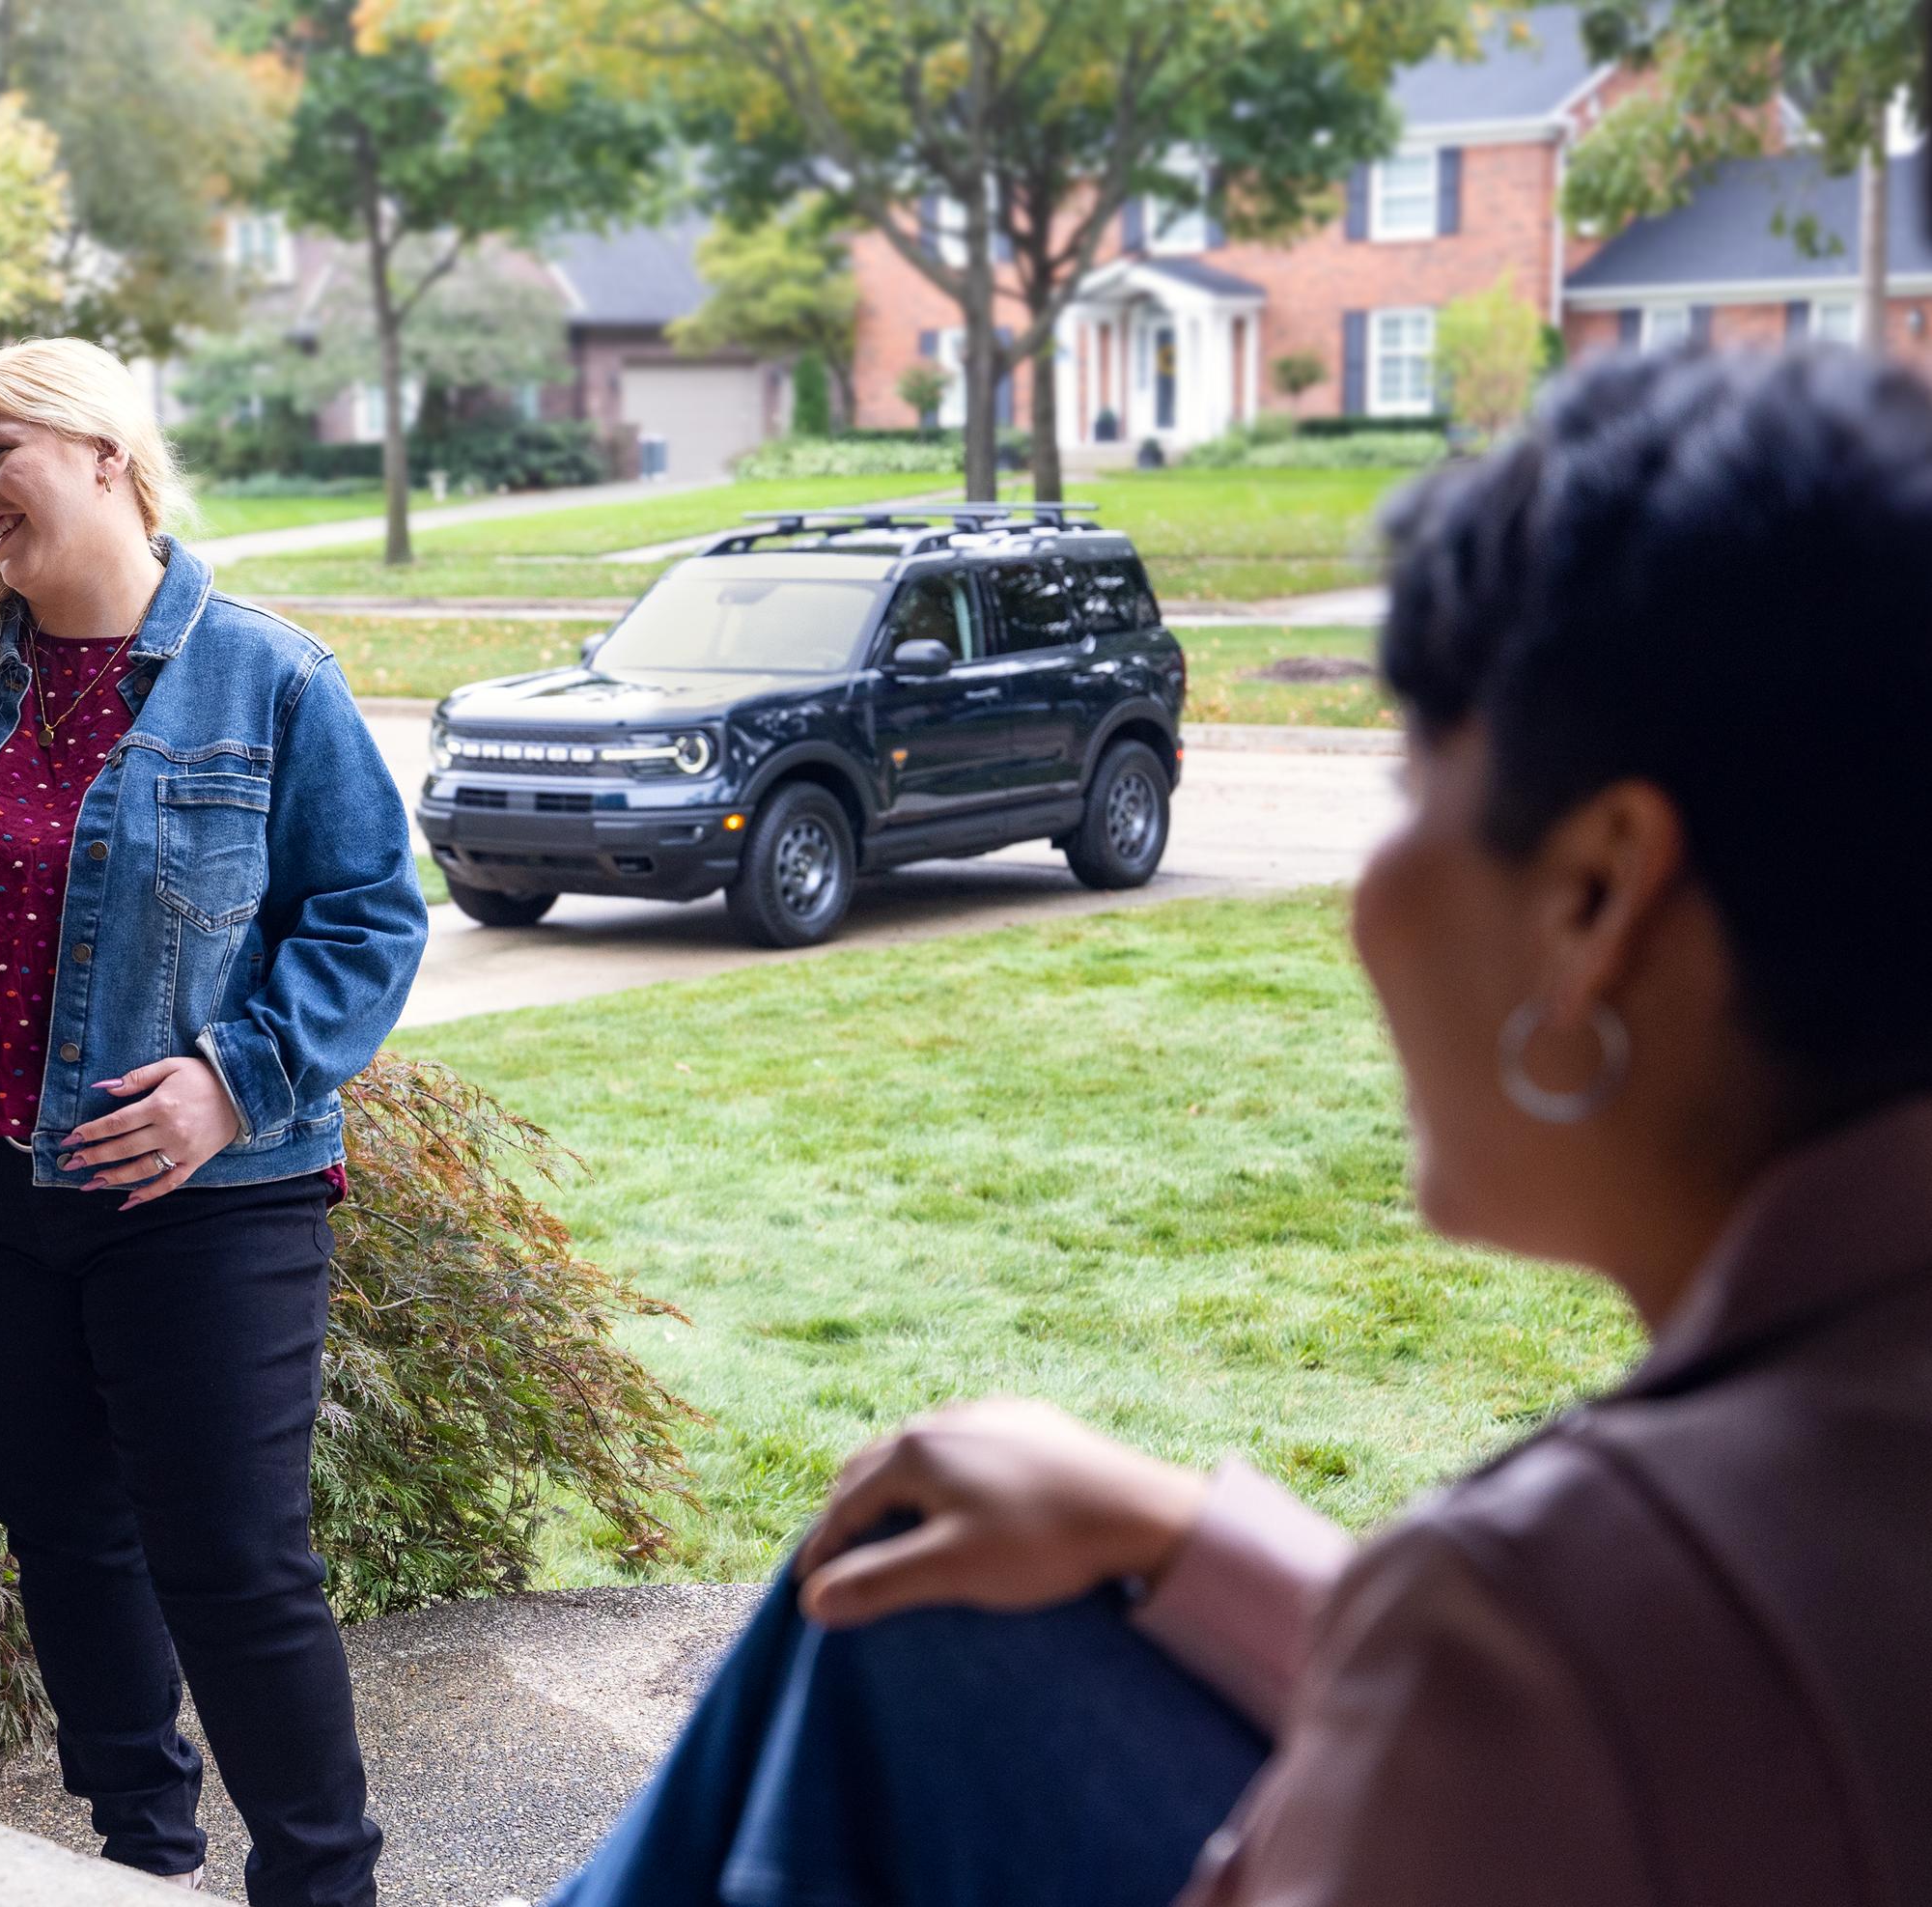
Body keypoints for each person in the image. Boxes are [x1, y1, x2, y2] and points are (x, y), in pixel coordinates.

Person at [547, 346, 1932, 1906]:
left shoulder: (1559, 1608)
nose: (1369, 899)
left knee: (906, 1615)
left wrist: (1431, 1622)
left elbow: (1594, 1688)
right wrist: (1188, 1538)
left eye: (1412, 790)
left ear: (1600, 898)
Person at [0, 339, 428, 1907]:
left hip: (200, 1203)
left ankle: (318, 1881)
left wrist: (236, 1077)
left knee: (235, 1564)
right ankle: (141, 1861)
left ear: (99, 454)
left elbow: (368, 919)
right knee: (66, 1542)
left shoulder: (270, 676)